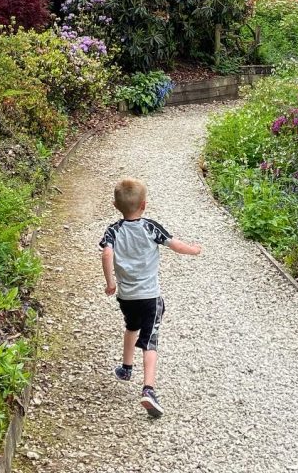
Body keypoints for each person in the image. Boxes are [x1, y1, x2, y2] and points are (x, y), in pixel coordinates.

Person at [99, 177, 202, 417]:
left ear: (116, 206)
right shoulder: (150, 227)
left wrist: (110, 282)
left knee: (131, 326)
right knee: (150, 340)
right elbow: (174, 245)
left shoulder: (113, 230)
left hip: (126, 297)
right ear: (144, 205)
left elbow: (106, 254)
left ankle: (126, 368)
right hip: (150, 297)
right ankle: (148, 390)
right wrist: (194, 249)